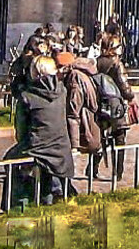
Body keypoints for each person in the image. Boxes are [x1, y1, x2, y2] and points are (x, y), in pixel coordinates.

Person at [9, 53, 74, 205]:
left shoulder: (26, 97)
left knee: (10, 162)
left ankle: (19, 204)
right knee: (47, 171)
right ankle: (48, 199)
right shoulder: (61, 91)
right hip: (61, 147)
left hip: (37, 147)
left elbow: (21, 130)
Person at [56, 51, 102, 180]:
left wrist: (74, 144)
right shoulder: (84, 72)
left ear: (65, 67)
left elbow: (73, 112)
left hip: (85, 123)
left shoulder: (74, 78)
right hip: (93, 120)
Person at [94, 34, 135, 179]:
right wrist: (130, 97)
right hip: (115, 104)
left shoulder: (97, 62)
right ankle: (118, 172)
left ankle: (92, 167)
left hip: (100, 103)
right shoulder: (117, 63)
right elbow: (124, 86)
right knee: (119, 137)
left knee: (101, 138)